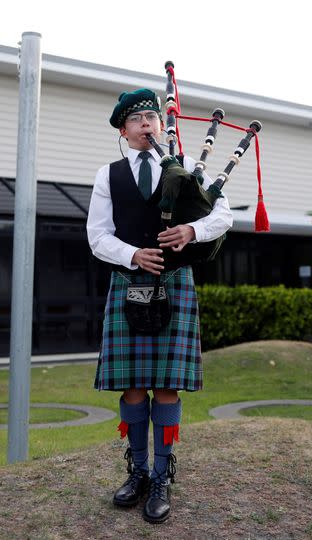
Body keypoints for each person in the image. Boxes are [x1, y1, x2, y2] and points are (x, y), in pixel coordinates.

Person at [86, 88, 232, 523]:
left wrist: (191, 230)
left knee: (167, 385)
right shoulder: (107, 175)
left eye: (152, 116)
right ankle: (139, 472)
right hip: (129, 280)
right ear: (123, 129)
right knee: (132, 386)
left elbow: (222, 215)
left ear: (161, 125)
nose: (148, 123)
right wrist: (133, 254)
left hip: (175, 282)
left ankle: (163, 475)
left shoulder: (186, 167)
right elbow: (97, 236)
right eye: (138, 119)